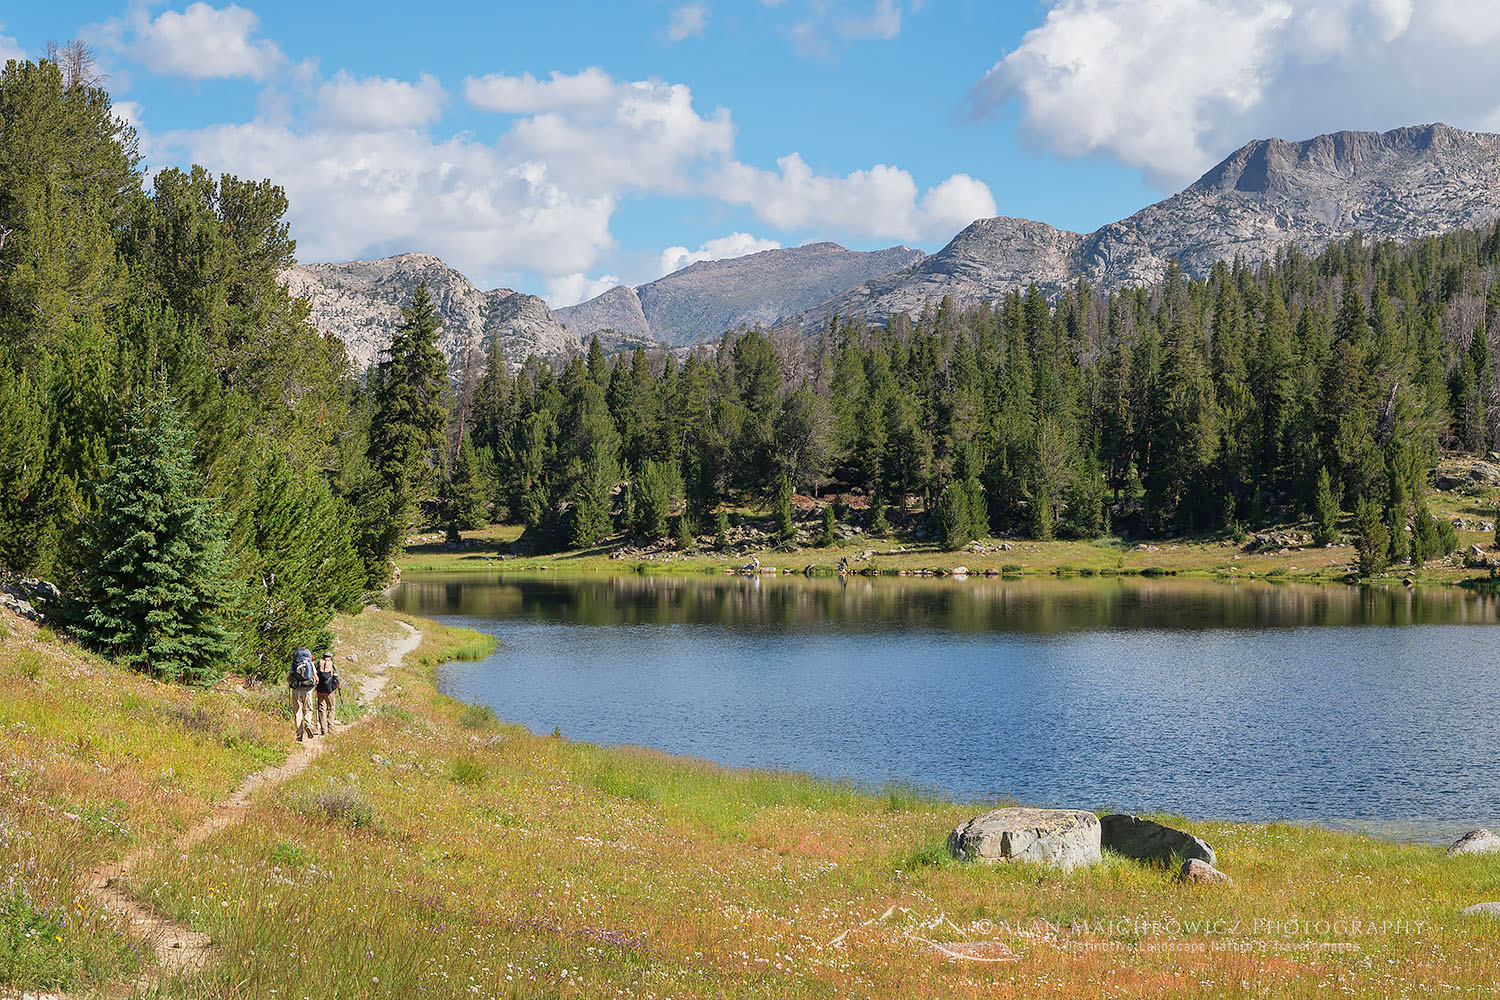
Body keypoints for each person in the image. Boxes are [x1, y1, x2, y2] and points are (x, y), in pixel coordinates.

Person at [288, 647, 317, 742]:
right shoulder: (310, 663)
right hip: (308, 690)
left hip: (296, 691)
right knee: (308, 710)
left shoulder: (294, 664)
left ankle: (299, 734)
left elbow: (289, 679)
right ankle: (308, 724)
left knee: (298, 712)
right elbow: (316, 678)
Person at [315, 650, 340, 736]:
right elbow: (337, 677)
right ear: (331, 657)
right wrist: (338, 685)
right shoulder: (332, 665)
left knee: (322, 710)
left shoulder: (318, 664)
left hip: (320, 691)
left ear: (323, 656)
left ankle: (323, 730)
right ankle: (331, 728)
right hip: (330, 691)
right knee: (331, 708)